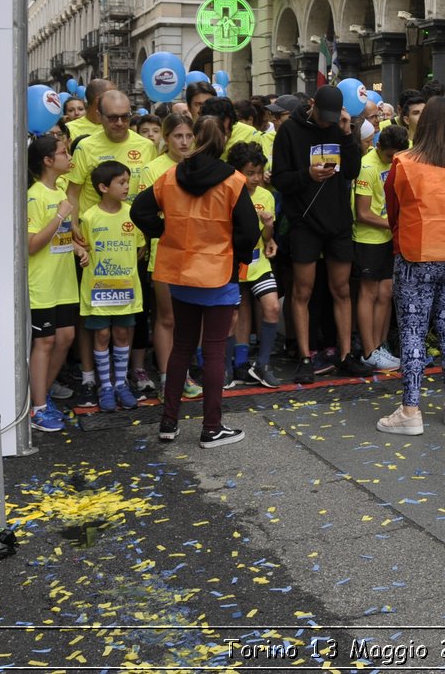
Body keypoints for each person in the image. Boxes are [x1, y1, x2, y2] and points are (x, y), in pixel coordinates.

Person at [131, 116, 261, 448]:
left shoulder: (171, 176)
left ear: (194, 141)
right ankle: (212, 427)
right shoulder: (233, 181)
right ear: (223, 143)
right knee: (215, 350)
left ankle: (168, 422)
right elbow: (249, 230)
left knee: (182, 347)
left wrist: (163, 231)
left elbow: (139, 211)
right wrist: (238, 256)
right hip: (218, 271)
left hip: (179, 270)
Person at [376, 97, 445, 435]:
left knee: (413, 331)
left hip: (415, 253)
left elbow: (393, 211)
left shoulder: (404, 162)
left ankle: (411, 408)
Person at [270, 84, 372, 382]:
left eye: (333, 116)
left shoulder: (339, 128)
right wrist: (307, 175)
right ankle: (304, 356)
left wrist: (345, 134)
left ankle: (344, 354)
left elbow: (352, 171)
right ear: (312, 104)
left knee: (341, 289)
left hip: (338, 219)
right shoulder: (290, 131)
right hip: (305, 220)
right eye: (324, 116)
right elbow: (279, 179)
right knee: (303, 290)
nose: (327, 121)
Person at [134, 114, 199, 401]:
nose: (184, 142)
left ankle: (183, 372)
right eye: (177, 136)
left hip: (199, 250)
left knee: (192, 316)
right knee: (167, 316)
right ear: (166, 138)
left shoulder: (200, 165)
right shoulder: (153, 169)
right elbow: (145, 211)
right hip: (166, 250)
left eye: (188, 136)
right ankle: (168, 377)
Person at [77, 161, 146, 411]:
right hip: (98, 291)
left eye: (128, 181)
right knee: (102, 334)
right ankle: (104, 385)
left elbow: (140, 248)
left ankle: (121, 384)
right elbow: (83, 251)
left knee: (122, 334)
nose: (127, 186)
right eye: (121, 182)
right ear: (103, 187)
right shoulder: (89, 217)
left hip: (126, 290)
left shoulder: (132, 213)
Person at [26, 135, 83, 433]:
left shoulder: (59, 188)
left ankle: (40, 398)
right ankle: (37, 409)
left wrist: (77, 249)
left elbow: (58, 238)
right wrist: (61, 214)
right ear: (48, 161)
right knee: (45, 342)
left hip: (64, 282)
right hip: (42, 284)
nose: (68, 157)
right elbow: (32, 244)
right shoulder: (34, 196)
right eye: (63, 153)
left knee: (66, 338)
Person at [224, 142, 282, 389]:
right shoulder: (226, 194)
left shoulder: (266, 195)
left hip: (259, 265)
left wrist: (269, 227)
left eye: (259, 172)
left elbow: (269, 238)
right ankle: (226, 369)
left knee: (272, 307)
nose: (257, 178)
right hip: (232, 265)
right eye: (250, 173)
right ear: (236, 172)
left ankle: (262, 365)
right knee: (231, 317)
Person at [355, 125, 408, 373]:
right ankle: (369, 350)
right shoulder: (367, 166)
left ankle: (379, 346)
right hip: (368, 239)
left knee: (386, 292)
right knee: (369, 292)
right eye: (389, 156)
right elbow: (363, 213)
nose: (393, 160)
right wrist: (394, 223)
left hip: (389, 236)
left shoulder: (400, 162)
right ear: (379, 148)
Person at [67, 89, 157, 214]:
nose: (120, 123)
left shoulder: (147, 146)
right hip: (93, 229)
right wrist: (74, 225)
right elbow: (72, 193)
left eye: (125, 117)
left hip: (135, 229)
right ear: (99, 116)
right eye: (112, 118)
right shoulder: (85, 147)